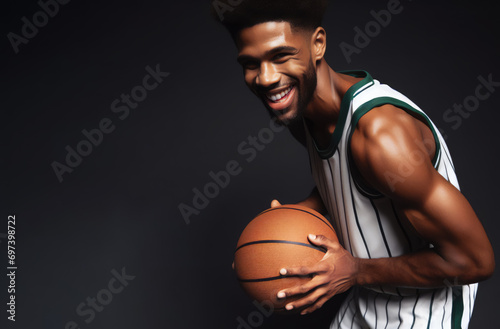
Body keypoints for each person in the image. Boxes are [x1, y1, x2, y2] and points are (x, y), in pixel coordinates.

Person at [211, 0, 495, 327]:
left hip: (425, 312)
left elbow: (475, 262)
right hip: (369, 296)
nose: (265, 78)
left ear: (318, 44)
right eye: (250, 63)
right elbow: (353, 181)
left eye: (280, 56)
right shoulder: (302, 115)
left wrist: (356, 270)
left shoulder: (382, 139)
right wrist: (294, 218)